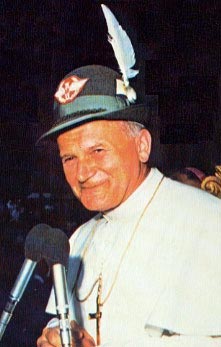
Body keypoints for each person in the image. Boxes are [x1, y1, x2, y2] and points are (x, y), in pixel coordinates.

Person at [35, 63, 221, 347]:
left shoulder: (209, 222)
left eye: (97, 150)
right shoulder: (79, 239)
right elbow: (67, 318)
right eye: (69, 158)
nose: (82, 173)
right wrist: (56, 334)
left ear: (142, 146)